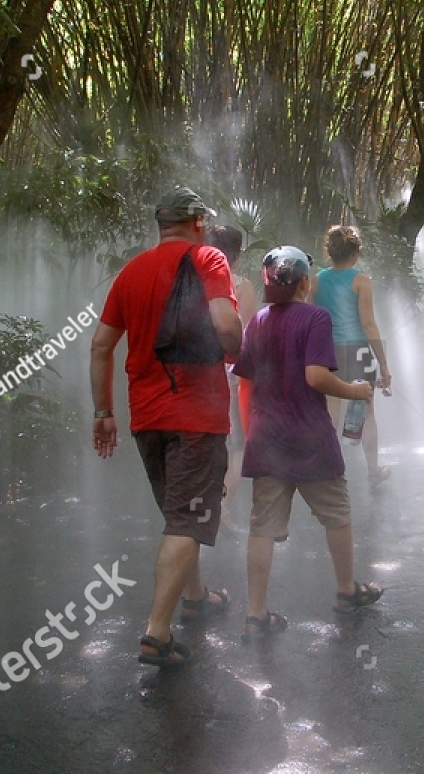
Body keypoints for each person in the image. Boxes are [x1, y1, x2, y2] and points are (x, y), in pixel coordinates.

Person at [90, 186, 242, 668]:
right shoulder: (209, 258)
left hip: (147, 418)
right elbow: (225, 323)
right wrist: (241, 353)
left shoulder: (131, 272)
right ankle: (156, 632)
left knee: (182, 515)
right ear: (198, 221)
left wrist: (102, 412)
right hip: (196, 415)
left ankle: (196, 597)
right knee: (186, 519)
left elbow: (100, 346)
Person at [232, 246, 385, 638]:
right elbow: (316, 377)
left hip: (267, 438)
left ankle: (255, 614)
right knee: (336, 513)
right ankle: (346, 591)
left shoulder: (258, 322)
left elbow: (245, 377)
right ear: (303, 282)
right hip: (310, 436)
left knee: (262, 526)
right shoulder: (316, 318)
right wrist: (354, 391)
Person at [315, 224, 393, 485]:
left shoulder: (316, 280)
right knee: (367, 412)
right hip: (359, 350)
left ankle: (326, 470)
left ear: (330, 251)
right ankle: (373, 471)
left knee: (330, 409)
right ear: (356, 252)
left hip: (329, 351)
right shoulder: (361, 280)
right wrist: (384, 365)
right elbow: (369, 325)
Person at [205, 223, 260, 531]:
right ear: (236, 258)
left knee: (210, 445)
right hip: (230, 375)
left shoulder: (192, 283)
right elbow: (249, 338)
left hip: (197, 375)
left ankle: (203, 509)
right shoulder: (240, 285)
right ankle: (220, 506)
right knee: (240, 446)